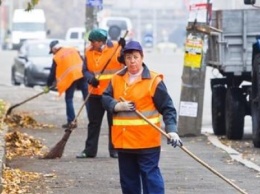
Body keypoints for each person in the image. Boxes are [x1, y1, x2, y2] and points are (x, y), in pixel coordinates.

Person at [102, 40, 183, 194]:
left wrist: (172, 130)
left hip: (146, 142)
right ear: (124, 60)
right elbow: (105, 98)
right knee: (128, 182)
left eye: (135, 57)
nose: (132, 61)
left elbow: (168, 108)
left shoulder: (153, 81)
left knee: (150, 179)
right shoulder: (116, 79)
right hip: (124, 141)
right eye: (128, 58)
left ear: (142, 57)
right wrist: (116, 106)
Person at [76, 28, 125, 159]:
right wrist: (90, 78)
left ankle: (115, 150)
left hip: (111, 94)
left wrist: (125, 49)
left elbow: (125, 62)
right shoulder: (88, 51)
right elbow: (85, 70)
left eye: (93, 42)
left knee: (113, 123)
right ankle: (90, 150)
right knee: (93, 123)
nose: (91, 44)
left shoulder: (116, 48)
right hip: (94, 92)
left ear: (101, 41)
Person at [45, 40, 88, 129]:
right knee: (87, 98)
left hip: (71, 78)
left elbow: (52, 73)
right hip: (82, 74)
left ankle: (71, 121)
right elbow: (83, 61)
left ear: (54, 49)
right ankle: (93, 119)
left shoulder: (57, 57)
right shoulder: (73, 49)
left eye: (52, 52)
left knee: (69, 99)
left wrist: (48, 85)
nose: (52, 54)